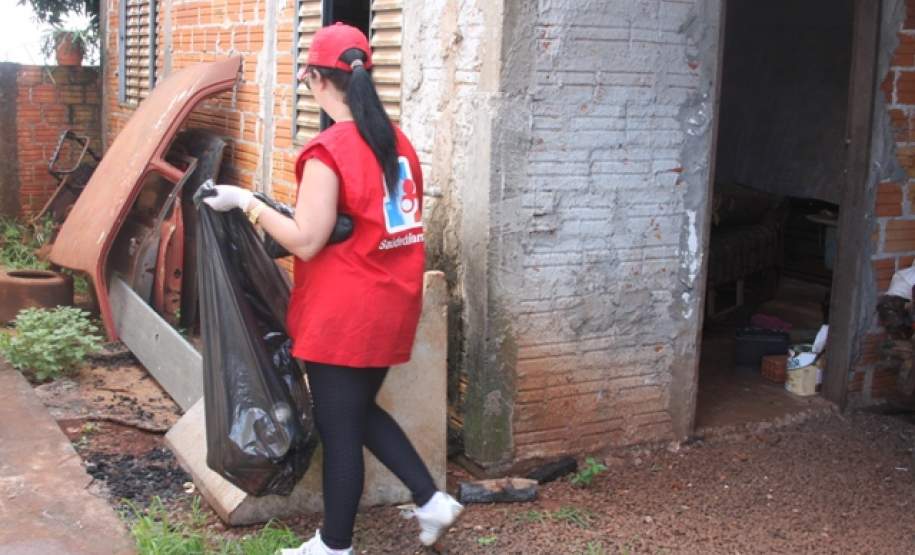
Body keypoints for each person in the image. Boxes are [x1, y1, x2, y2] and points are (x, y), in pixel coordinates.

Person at [202, 22, 463, 555]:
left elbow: (306, 240)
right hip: (392, 304)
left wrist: (244, 200)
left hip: (344, 315)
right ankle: (431, 499)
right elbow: (373, 222)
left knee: (340, 430)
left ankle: (334, 545)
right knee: (359, 411)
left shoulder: (328, 151)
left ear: (318, 81)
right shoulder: (398, 144)